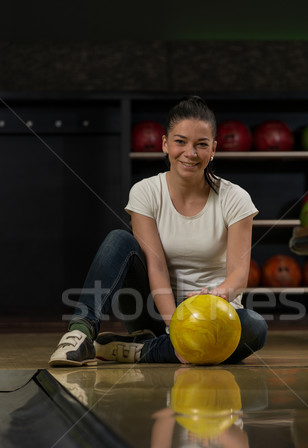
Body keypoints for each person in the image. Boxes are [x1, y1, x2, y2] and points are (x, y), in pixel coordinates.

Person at [49, 96, 268, 367]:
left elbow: (239, 274)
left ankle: (140, 351)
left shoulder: (235, 198)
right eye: (180, 142)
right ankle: (79, 335)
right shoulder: (145, 192)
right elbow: (156, 266)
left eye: (201, 144)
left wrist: (220, 292)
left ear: (213, 149)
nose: (190, 153)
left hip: (215, 314)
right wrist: (178, 329)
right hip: (153, 312)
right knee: (119, 240)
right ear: (165, 144)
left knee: (255, 327)